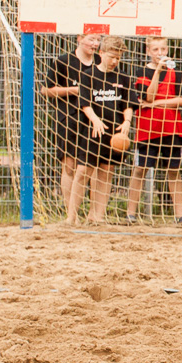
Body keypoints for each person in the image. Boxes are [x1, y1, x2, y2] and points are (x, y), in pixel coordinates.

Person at [67, 35, 134, 226]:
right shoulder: (88, 75)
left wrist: (127, 121)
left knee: (107, 171)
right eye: (111, 56)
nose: (114, 61)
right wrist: (95, 120)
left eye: (118, 58)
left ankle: (97, 215)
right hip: (92, 131)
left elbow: (128, 103)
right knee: (82, 171)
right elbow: (85, 103)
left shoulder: (123, 77)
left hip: (115, 132)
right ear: (101, 53)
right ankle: (72, 216)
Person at [124, 37, 182, 225]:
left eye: (163, 49)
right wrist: (158, 70)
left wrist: (158, 103)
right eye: (155, 49)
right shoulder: (141, 71)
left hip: (171, 127)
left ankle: (180, 215)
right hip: (147, 128)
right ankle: (130, 213)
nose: (160, 53)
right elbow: (147, 96)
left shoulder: (176, 71)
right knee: (140, 169)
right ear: (148, 51)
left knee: (173, 170)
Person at [41, 31, 99, 204]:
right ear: (79, 39)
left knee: (96, 167)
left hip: (97, 120)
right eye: (91, 39)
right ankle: (70, 211)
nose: (95, 44)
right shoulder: (63, 61)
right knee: (69, 166)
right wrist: (74, 90)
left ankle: (95, 214)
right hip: (70, 118)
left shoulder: (101, 62)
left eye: (98, 40)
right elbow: (46, 90)